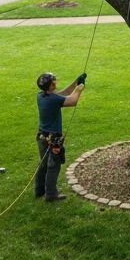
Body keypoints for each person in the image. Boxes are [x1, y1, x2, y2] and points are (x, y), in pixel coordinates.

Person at [35, 70, 86, 202]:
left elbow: (63, 93)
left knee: (44, 164)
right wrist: (80, 87)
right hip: (53, 139)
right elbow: (72, 100)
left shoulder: (41, 95)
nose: (55, 82)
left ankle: (39, 190)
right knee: (54, 166)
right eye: (54, 81)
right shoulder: (53, 99)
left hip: (42, 136)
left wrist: (76, 82)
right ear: (51, 85)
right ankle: (51, 194)